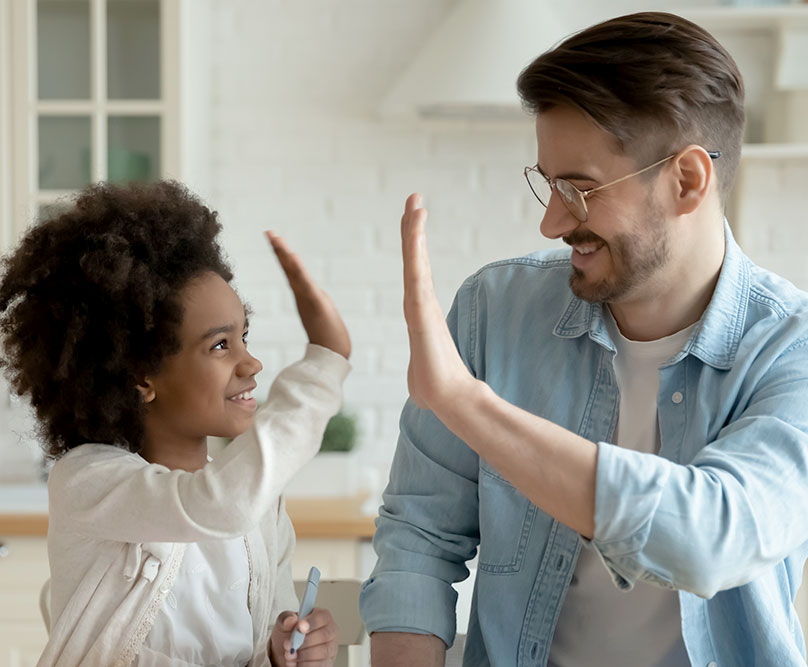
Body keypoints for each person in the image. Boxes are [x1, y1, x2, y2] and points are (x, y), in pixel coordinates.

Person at [360, 11, 808, 667]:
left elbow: (714, 533)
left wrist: (464, 403)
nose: (550, 221)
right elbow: (420, 534)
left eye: (579, 188)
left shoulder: (791, 347)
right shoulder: (493, 310)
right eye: (547, 182)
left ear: (687, 180)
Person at [0, 180, 351, 667]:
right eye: (220, 345)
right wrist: (323, 366)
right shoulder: (88, 481)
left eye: (243, 336)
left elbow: (261, 632)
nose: (252, 365)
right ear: (143, 377)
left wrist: (282, 649)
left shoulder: (260, 508)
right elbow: (216, 505)